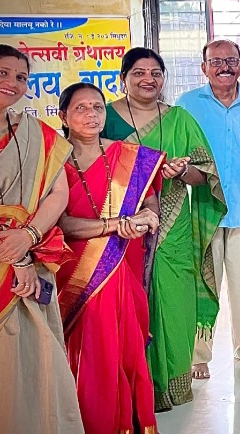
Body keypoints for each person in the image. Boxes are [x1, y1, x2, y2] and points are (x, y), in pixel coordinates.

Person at [0, 45, 84, 434]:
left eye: (21, 77)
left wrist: (29, 236)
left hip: (30, 250)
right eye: (1, 73)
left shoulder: (34, 132)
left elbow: (59, 193)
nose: (12, 83)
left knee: (36, 356)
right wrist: (17, 258)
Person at [103, 47, 227, 411]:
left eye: (156, 73)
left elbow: (205, 175)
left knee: (174, 301)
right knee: (125, 304)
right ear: (123, 78)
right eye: (139, 73)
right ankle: (130, 386)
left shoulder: (179, 119)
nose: (149, 79)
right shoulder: (104, 117)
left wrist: (181, 171)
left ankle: (172, 382)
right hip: (119, 226)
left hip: (172, 226)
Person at [56, 82, 164, 434]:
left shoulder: (128, 155)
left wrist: (147, 217)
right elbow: (61, 223)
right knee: (89, 350)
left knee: (123, 342)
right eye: (81, 108)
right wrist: (114, 224)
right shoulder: (53, 161)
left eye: (98, 107)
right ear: (63, 116)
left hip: (120, 261)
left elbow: (149, 201)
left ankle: (127, 421)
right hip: (74, 269)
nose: (92, 114)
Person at [176, 39, 240, 379]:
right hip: (203, 210)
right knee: (202, 283)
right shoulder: (187, 105)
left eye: (231, 60)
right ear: (204, 68)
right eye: (216, 61)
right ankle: (198, 354)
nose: (224, 67)